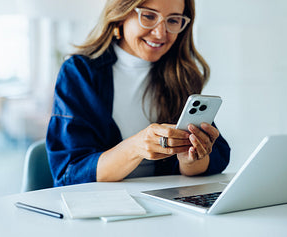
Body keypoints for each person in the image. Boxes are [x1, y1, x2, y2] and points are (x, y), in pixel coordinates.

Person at [46, 0, 230, 187]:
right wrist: (135, 147)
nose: (160, 33)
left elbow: (212, 162)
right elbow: (70, 173)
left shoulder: (181, 74)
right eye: (149, 16)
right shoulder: (79, 72)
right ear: (120, 16)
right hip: (101, 203)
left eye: (173, 20)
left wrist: (190, 159)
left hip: (163, 202)